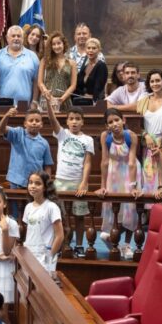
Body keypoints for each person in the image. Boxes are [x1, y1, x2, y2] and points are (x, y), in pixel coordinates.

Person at [46, 101, 93, 258]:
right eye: (71, 118)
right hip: (61, 181)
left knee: (79, 216)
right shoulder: (62, 134)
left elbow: (87, 163)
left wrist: (84, 183)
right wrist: (48, 103)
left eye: (78, 119)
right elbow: (52, 119)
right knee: (61, 216)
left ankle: (79, 245)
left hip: (78, 182)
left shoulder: (88, 139)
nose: (74, 122)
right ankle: (63, 244)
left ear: (83, 121)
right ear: (66, 121)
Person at [96, 108, 139, 247]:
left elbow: (132, 162)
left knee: (130, 208)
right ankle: (111, 237)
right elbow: (104, 162)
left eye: (117, 120)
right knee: (113, 207)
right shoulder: (105, 136)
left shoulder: (131, 136)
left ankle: (127, 245)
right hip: (113, 174)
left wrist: (133, 186)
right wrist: (103, 186)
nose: (114, 124)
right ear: (106, 125)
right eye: (110, 122)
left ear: (123, 120)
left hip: (130, 173)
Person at [0, 107, 54, 212]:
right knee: (16, 213)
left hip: (35, 184)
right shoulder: (18, 133)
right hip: (17, 182)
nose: (34, 123)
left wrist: (47, 184)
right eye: (31, 120)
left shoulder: (44, 143)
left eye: (37, 121)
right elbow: (1, 128)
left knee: (33, 212)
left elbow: (47, 165)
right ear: (25, 123)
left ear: (41, 124)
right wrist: (7, 116)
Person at [22, 171, 64, 277]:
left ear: (45, 187)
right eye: (30, 182)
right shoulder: (28, 207)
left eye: (38, 183)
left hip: (44, 255)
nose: (33, 186)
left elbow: (60, 236)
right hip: (29, 253)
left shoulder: (51, 207)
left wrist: (49, 256)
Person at [0, 25, 40, 104]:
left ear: (23, 38)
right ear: (7, 38)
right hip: (1, 104)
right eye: (13, 36)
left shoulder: (33, 56)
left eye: (19, 36)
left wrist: (34, 102)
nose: (16, 38)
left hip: (25, 105)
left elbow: (36, 81)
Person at [73, 38, 108, 105]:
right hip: (83, 100)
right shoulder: (85, 65)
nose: (90, 50)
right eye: (88, 48)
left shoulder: (101, 66)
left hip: (95, 102)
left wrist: (92, 97)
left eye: (94, 48)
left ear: (99, 50)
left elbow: (98, 87)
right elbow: (79, 84)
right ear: (85, 50)